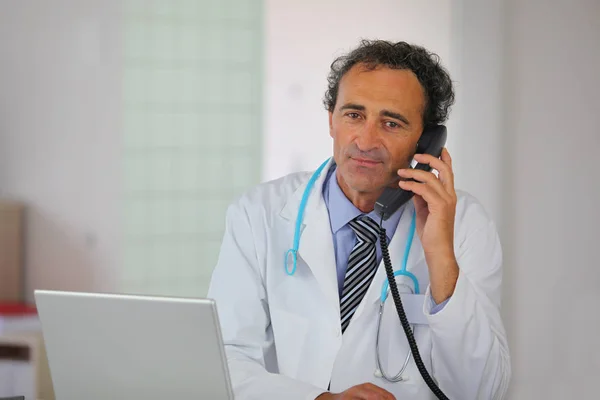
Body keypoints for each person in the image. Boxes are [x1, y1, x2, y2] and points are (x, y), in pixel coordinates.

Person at [207, 40, 510, 400]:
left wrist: (442, 258)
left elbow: (484, 390)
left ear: (425, 141)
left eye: (391, 123)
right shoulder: (258, 213)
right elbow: (225, 360)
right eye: (353, 115)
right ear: (331, 120)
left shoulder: (464, 226)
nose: (366, 141)